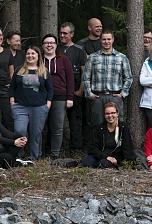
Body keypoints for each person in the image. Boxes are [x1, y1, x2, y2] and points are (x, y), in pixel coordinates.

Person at [9, 46, 53, 161]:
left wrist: (47, 105)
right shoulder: (19, 70)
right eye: (28, 54)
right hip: (20, 107)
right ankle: (18, 156)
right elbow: (12, 87)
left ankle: (34, 157)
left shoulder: (44, 71)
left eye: (33, 54)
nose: (30, 56)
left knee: (35, 134)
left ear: (38, 56)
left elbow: (50, 89)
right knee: (19, 131)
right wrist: (12, 102)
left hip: (39, 107)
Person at [82, 29, 133, 126]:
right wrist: (90, 94)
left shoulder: (122, 57)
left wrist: (122, 94)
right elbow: (86, 78)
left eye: (109, 39)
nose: (106, 42)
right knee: (97, 126)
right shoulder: (93, 58)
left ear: (113, 40)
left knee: (117, 125)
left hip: (115, 96)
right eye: (104, 39)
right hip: (97, 97)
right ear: (100, 40)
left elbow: (128, 78)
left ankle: (117, 141)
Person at [41, 34, 74, 160]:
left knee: (57, 127)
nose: (49, 45)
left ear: (56, 45)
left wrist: (70, 97)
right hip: (42, 97)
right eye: (46, 43)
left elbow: (70, 79)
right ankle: (40, 153)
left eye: (52, 43)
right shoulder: (39, 60)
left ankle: (55, 155)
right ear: (43, 46)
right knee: (41, 127)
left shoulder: (63, 59)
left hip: (60, 96)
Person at [58, 22, 87, 150]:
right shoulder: (55, 48)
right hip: (58, 90)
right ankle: (53, 149)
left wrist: (81, 90)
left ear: (72, 34)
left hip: (75, 89)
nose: (62, 35)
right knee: (55, 121)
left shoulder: (79, 50)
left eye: (65, 33)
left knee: (75, 121)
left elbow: (84, 71)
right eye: (61, 33)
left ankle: (76, 149)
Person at [81, 102, 135, 169]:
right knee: (85, 164)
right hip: (99, 155)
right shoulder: (99, 128)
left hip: (114, 158)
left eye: (113, 113)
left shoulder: (123, 128)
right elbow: (92, 148)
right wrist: (106, 157)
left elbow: (127, 148)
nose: (110, 116)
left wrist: (129, 164)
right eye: (107, 113)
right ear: (104, 115)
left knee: (102, 164)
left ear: (117, 113)